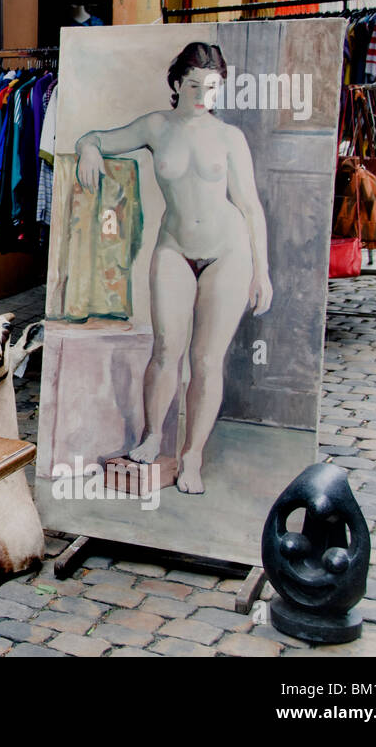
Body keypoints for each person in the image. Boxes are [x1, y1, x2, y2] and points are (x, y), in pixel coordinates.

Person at [75, 42, 272, 494]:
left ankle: (193, 455)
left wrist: (262, 271)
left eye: (213, 87)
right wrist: (88, 147)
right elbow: (98, 138)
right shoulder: (157, 126)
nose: (204, 95)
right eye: (195, 85)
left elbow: (250, 206)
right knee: (166, 350)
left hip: (228, 252)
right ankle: (151, 437)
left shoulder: (229, 138)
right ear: (177, 83)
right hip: (174, 248)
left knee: (205, 360)